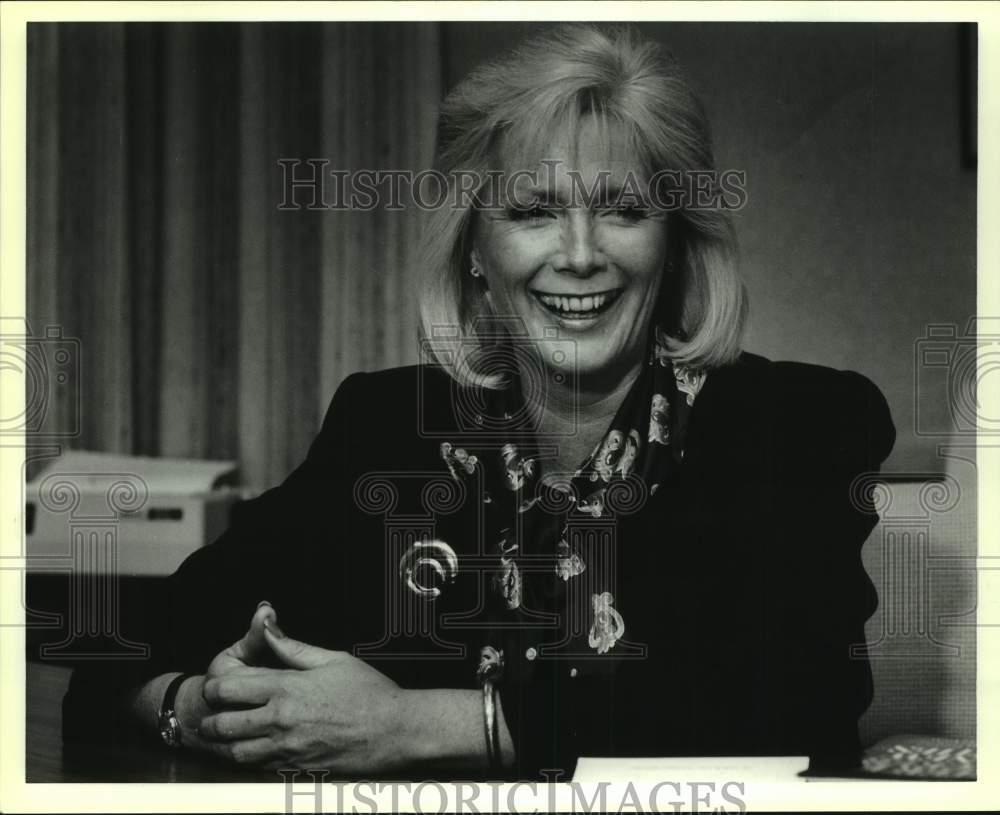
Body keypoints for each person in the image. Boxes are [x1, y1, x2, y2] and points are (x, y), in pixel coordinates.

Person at [62, 24, 895, 781]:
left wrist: (413, 725)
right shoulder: (383, 426)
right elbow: (116, 644)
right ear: (473, 251)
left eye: (623, 209)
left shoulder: (795, 426)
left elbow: (801, 710)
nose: (579, 255)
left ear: (674, 243)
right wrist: (200, 711)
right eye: (532, 212)